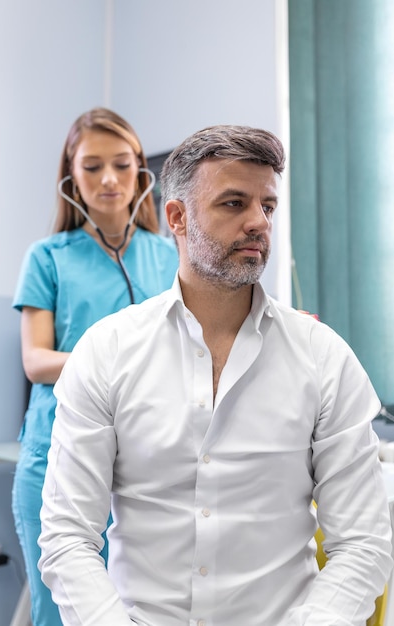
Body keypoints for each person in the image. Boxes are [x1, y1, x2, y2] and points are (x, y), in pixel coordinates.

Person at [38, 124, 393, 626]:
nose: (258, 223)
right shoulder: (107, 352)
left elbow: (363, 543)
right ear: (177, 217)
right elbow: (67, 536)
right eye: (233, 204)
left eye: (266, 206)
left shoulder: (324, 358)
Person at [12, 107, 179, 626]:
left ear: (140, 174)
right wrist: (114, 361)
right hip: (54, 456)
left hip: (147, 466)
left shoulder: (173, 257)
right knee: (59, 613)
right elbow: (36, 361)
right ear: (71, 177)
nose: (109, 179)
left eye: (122, 164)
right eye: (92, 166)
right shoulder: (47, 257)